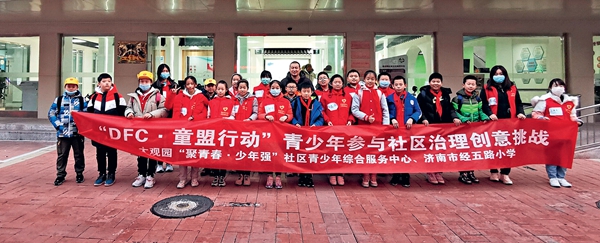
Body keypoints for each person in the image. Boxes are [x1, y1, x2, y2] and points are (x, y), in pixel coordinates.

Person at [531, 78, 582, 188]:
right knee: (552, 155)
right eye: (556, 85)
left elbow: (572, 115)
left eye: (561, 85)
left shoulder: (569, 101)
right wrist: (541, 118)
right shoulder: (545, 100)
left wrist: (576, 121)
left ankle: (561, 177)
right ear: (550, 88)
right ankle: (553, 177)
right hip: (551, 132)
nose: (559, 88)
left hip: (566, 133)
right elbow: (535, 113)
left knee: (564, 154)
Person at [480, 65, 526, 185]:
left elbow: (519, 103)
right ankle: (493, 171)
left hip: (510, 123)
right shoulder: (486, 88)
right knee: (494, 147)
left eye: (501, 74)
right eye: (496, 74)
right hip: (494, 123)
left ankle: (505, 174)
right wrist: (489, 114)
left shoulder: (512, 88)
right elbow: (483, 104)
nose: (498, 76)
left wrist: (521, 113)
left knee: (508, 148)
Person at [164, 76, 209, 189]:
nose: (189, 86)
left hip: (195, 129)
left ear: (195, 84)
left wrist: (195, 118)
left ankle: (194, 178)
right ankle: (182, 179)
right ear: (185, 85)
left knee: (194, 154)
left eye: (191, 84)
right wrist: (172, 94)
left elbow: (205, 112)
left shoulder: (200, 97)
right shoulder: (179, 96)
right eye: (187, 84)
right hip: (182, 131)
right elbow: (168, 106)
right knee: (182, 155)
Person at [125, 71, 168, 189]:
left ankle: (150, 175)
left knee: (152, 152)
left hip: (153, 130)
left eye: (146, 81)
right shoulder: (134, 97)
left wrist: (152, 114)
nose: (144, 83)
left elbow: (164, 110)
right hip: (139, 131)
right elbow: (128, 108)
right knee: (141, 152)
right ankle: (141, 174)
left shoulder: (158, 96)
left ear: (151, 82)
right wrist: (129, 113)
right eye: (142, 81)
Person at [417, 72, 461, 185]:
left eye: (438, 81)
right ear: (429, 82)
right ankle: (430, 172)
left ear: (441, 83)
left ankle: (439, 172)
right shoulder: (422, 94)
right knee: (430, 150)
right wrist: (423, 119)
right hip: (429, 126)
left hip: (443, 127)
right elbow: (419, 109)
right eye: (433, 81)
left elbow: (450, 108)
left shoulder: (445, 95)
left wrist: (454, 118)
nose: (436, 83)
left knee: (441, 150)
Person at [87, 73, 127, 186]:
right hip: (98, 131)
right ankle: (102, 174)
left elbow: (123, 112)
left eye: (109, 81)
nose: (107, 83)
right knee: (100, 152)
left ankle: (111, 174)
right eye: (104, 81)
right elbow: (89, 114)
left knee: (112, 152)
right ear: (99, 84)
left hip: (112, 131)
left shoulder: (117, 96)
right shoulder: (93, 97)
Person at [351, 70, 390, 188]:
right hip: (363, 127)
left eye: (372, 79)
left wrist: (385, 126)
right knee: (364, 152)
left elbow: (385, 110)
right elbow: (354, 109)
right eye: (368, 78)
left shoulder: (380, 93)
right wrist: (366, 117)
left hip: (378, 127)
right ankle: (365, 175)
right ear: (364, 79)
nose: (370, 81)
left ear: (376, 80)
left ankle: (374, 175)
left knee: (376, 152)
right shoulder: (358, 93)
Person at [451, 75, 490, 185]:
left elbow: (480, 110)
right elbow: (453, 111)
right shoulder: (457, 98)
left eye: (473, 84)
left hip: (474, 131)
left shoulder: (477, 98)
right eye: (468, 84)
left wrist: (484, 117)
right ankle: (463, 173)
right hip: (463, 130)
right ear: (463, 85)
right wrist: (462, 119)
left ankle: (471, 172)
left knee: (473, 152)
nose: (471, 86)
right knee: (464, 152)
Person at [48, 77, 87, 186]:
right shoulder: (59, 100)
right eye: (69, 86)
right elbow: (51, 114)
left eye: (73, 86)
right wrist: (58, 126)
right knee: (62, 155)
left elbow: (86, 115)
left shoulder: (82, 100)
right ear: (65, 87)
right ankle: (60, 175)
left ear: (77, 87)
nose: (71, 88)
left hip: (77, 133)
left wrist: (81, 126)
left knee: (79, 155)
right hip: (62, 133)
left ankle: (79, 173)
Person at [386, 75, 421, 188]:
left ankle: (405, 176)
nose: (398, 86)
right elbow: (385, 112)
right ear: (392, 85)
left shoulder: (411, 98)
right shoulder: (389, 98)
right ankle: (396, 175)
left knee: (406, 154)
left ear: (405, 85)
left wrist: (412, 118)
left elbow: (418, 111)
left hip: (408, 131)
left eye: (401, 84)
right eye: (396, 85)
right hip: (394, 131)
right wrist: (392, 118)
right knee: (395, 153)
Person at [320, 74, 354, 186]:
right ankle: (332, 173)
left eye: (340, 82)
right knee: (332, 152)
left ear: (343, 83)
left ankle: (340, 174)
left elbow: (353, 111)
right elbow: (321, 110)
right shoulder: (325, 96)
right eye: (335, 82)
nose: (338, 84)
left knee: (342, 152)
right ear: (331, 83)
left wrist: (350, 120)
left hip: (345, 129)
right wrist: (327, 120)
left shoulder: (348, 96)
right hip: (330, 129)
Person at [258, 80, 293, 189]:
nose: (275, 89)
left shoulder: (285, 102)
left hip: (281, 133)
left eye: (277, 87)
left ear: (281, 89)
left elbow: (290, 114)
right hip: (268, 133)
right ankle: (269, 176)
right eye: (273, 87)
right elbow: (259, 114)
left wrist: (286, 117)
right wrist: (266, 116)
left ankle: (278, 176)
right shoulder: (264, 101)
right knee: (269, 154)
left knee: (279, 154)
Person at [291, 82, 325, 187]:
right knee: (300, 155)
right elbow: (291, 115)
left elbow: (321, 118)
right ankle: (301, 176)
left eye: (308, 91)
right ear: (300, 92)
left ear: (312, 92)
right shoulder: (295, 102)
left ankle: (309, 176)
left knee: (311, 154)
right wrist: (295, 123)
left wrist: (316, 125)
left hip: (312, 133)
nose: (306, 93)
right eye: (304, 91)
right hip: (299, 132)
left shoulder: (316, 103)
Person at [207, 80, 236, 187]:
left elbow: (233, 116)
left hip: (225, 132)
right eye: (218, 89)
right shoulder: (211, 102)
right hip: (214, 132)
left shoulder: (231, 101)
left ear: (226, 90)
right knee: (214, 154)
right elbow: (208, 116)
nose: (220, 91)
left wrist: (226, 119)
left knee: (223, 154)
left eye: (222, 89)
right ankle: (215, 176)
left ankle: (222, 176)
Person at [152, 64, 178, 173]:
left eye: (167, 70)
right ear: (159, 72)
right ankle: (159, 163)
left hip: (171, 114)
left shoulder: (173, 84)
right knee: (159, 140)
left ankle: (169, 162)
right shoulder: (154, 85)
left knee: (169, 139)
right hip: (159, 115)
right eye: (163, 71)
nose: (165, 72)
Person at [233, 79, 258, 186]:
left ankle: (247, 174)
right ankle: (240, 174)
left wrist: (250, 120)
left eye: (244, 87)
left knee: (247, 152)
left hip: (248, 129)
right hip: (236, 129)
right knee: (238, 152)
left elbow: (256, 112)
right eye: (240, 87)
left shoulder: (253, 99)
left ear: (247, 88)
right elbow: (231, 112)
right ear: (237, 88)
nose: (242, 89)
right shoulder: (233, 99)